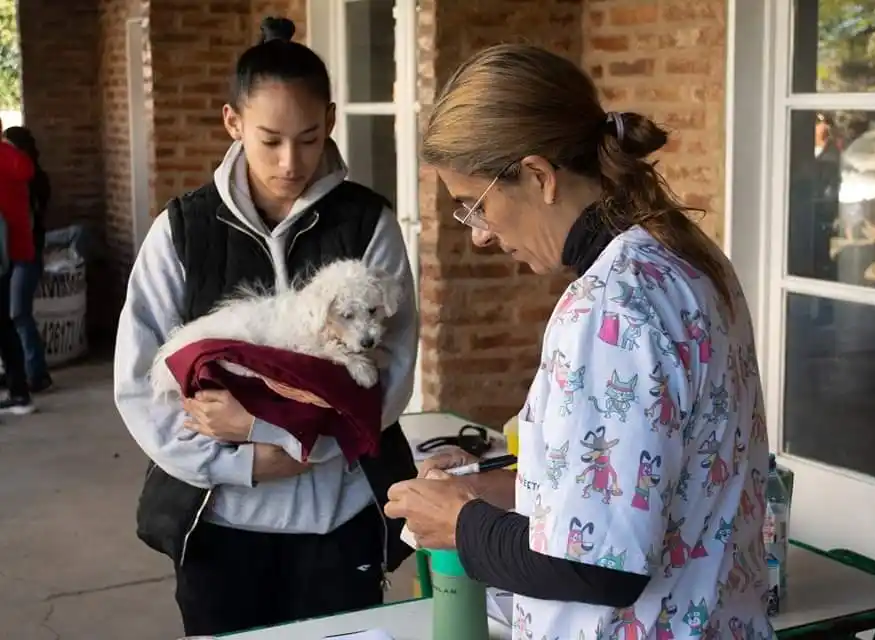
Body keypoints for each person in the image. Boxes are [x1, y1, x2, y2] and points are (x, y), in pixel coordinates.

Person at [384, 44, 775, 640]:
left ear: (539, 176)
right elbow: (633, 482)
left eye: (475, 206)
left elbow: (600, 569)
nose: (481, 237)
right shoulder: (687, 257)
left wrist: (461, 524)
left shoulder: (606, 309)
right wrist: (490, 489)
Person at [114, 17, 419, 636]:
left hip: (339, 518)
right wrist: (241, 463)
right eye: (269, 139)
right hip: (220, 526)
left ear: (331, 120)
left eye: (308, 139)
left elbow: (393, 368)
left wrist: (299, 444)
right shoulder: (183, 231)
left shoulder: (367, 223)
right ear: (232, 123)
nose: (289, 162)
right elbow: (139, 383)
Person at [3, 126, 53, 393]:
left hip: (27, 254)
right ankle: (21, 373)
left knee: (19, 314)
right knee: (14, 316)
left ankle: (36, 373)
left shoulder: (33, 180)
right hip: (14, 255)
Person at [0, 121, 38, 414]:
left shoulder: (7, 157)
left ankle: (21, 388)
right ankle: (21, 385)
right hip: (14, 251)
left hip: (8, 254)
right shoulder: (11, 157)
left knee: (10, 321)